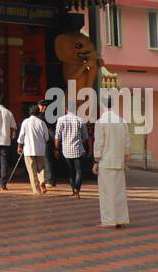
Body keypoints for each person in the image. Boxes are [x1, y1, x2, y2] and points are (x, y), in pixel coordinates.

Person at [93, 97, 131, 227]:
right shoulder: (122, 121)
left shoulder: (100, 122)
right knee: (119, 193)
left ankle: (109, 220)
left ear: (102, 105)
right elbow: (127, 143)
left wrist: (96, 161)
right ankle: (120, 219)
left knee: (106, 193)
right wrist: (126, 160)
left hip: (106, 161)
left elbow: (99, 143)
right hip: (119, 161)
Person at [53, 105, 87, 197]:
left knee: (70, 171)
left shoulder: (61, 120)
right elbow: (85, 137)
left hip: (66, 150)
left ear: (66, 109)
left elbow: (57, 136)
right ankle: (77, 190)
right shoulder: (80, 120)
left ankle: (73, 190)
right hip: (78, 149)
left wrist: (56, 149)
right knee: (79, 171)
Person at [17, 105, 50, 195]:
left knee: (32, 171)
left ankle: (37, 190)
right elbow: (46, 137)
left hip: (28, 150)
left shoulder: (25, 122)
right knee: (41, 168)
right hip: (40, 150)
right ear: (38, 112)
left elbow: (21, 136)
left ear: (30, 112)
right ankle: (42, 181)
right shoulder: (41, 123)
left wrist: (19, 146)